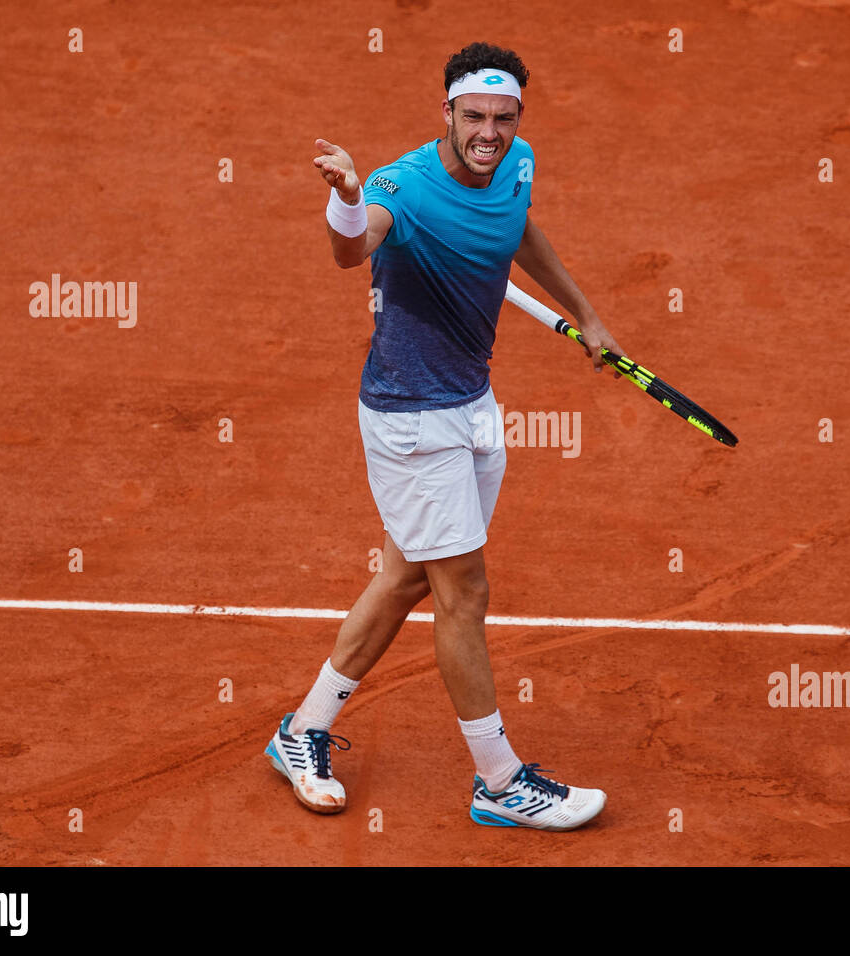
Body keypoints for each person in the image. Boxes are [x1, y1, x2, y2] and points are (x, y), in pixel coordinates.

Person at [265, 41, 625, 831]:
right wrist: (349, 197)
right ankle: (499, 783)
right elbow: (350, 249)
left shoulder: (517, 165)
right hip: (409, 419)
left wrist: (588, 315)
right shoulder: (404, 187)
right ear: (448, 114)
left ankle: (303, 731)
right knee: (463, 593)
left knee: (405, 577)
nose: (489, 133)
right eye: (474, 118)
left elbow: (518, 230)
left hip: (470, 402)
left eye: (503, 118)